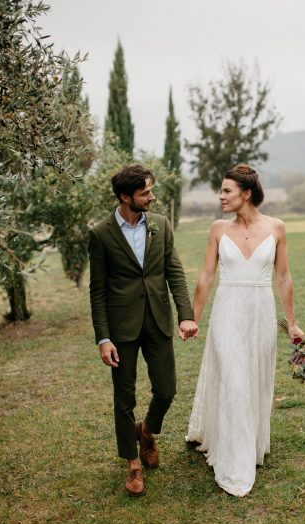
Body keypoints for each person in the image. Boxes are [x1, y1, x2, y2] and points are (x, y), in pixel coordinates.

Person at [186, 164, 304, 497]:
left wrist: (291, 322)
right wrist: (193, 317)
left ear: (246, 193)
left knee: (252, 376)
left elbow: (283, 277)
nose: (220, 196)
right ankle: (234, 460)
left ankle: (246, 443)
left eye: (227, 191)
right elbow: (206, 276)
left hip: (260, 312)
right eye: (221, 191)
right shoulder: (218, 229)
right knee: (234, 378)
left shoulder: (277, 227)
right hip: (227, 312)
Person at [89, 163, 197, 497]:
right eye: (145, 192)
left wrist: (186, 314)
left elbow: (174, 272)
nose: (152, 197)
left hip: (158, 320)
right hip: (121, 328)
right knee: (124, 398)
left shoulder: (161, 225)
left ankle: (147, 431)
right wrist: (103, 338)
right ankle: (133, 463)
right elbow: (98, 290)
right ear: (125, 197)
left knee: (166, 390)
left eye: (151, 190)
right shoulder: (101, 233)